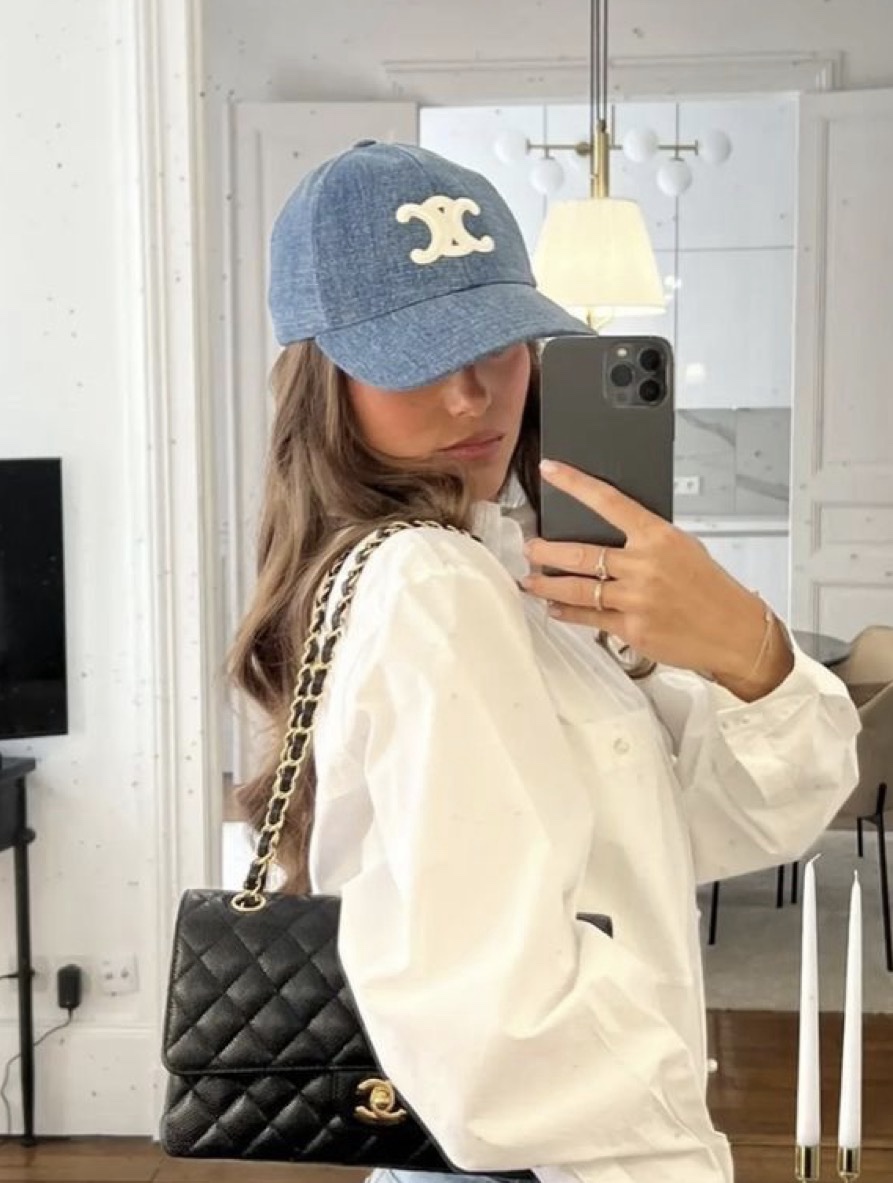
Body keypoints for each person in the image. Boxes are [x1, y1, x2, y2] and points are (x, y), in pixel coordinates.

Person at [229, 140, 860, 1183]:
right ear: (323, 379)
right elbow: (499, 1038)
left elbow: (728, 821)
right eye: (417, 352)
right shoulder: (430, 584)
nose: (472, 393)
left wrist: (738, 643)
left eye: (499, 342)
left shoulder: (498, 566)